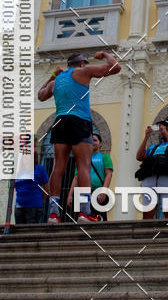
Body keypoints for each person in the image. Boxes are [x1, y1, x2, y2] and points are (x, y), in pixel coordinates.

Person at [37, 51, 120, 224]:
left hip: (60, 120)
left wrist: (52, 76)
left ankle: (53, 214)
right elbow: (116, 67)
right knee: (83, 165)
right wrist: (105, 54)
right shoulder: (84, 71)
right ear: (81, 63)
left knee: (58, 168)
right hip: (79, 120)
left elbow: (41, 95)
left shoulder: (56, 81)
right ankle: (84, 212)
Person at [136, 120, 168, 220]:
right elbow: (139, 157)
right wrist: (146, 137)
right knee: (148, 211)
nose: (162, 131)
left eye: (166, 128)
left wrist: (165, 132)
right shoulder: (153, 147)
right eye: (161, 129)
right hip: (150, 177)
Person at [67, 132, 114, 222]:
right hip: (83, 193)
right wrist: (70, 195)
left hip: (98, 192)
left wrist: (104, 191)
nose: (92, 142)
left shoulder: (105, 157)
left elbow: (108, 174)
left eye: (95, 140)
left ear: (100, 144)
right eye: (90, 140)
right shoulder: (81, 158)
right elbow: (76, 177)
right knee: (83, 220)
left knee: (99, 219)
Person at [13, 151, 49, 224]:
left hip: (34, 206)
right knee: (19, 230)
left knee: (29, 231)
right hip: (19, 206)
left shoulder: (38, 168)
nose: (25, 157)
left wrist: (42, 200)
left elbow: (47, 187)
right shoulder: (18, 171)